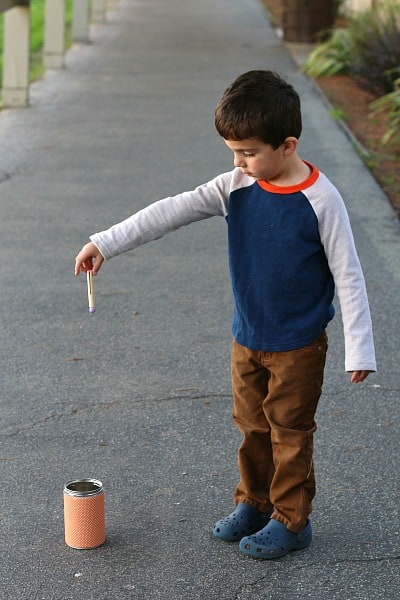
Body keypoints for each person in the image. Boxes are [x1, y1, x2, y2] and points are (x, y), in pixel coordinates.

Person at [74, 70, 376, 560]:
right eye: (233, 152)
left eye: (248, 152)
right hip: (246, 338)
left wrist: (358, 347)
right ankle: (254, 504)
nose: (238, 162)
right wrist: (104, 243)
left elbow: (350, 276)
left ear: (287, 144)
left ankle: (292, 520)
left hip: (298, 345)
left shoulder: (321, 201)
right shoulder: (235, 185)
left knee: (289, 432)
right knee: (252, 427)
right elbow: (170, 210)